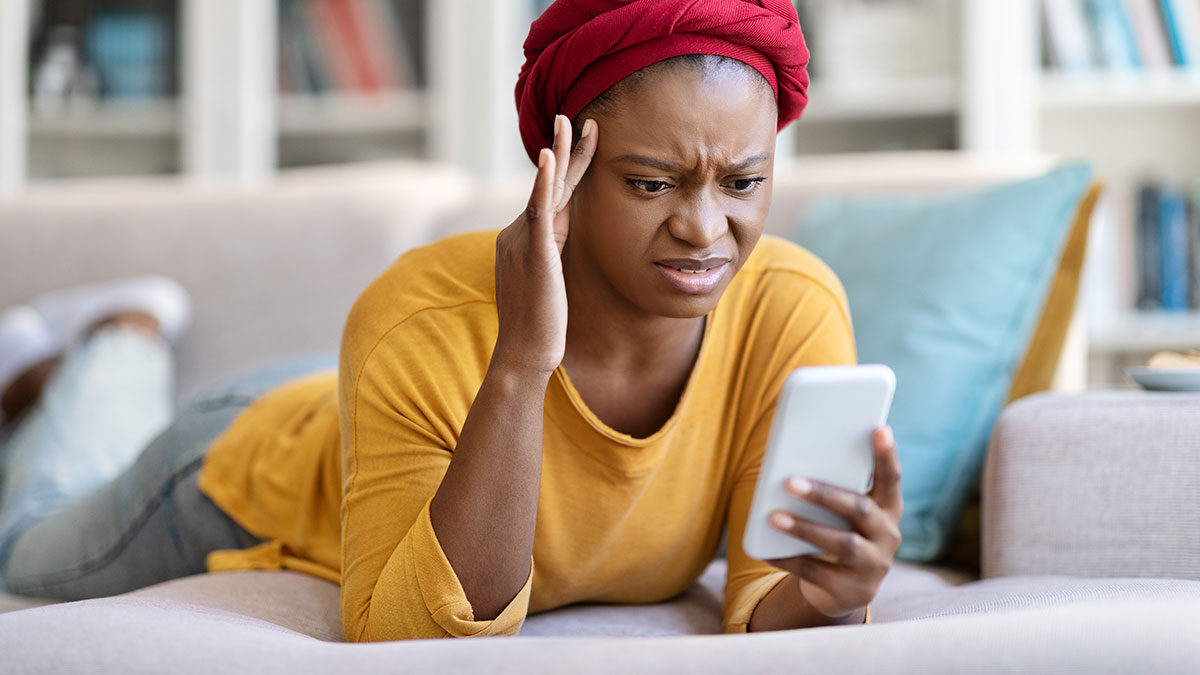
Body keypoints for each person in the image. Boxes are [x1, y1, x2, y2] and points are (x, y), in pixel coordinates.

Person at [0, 0, 903, 640]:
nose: (706, 229)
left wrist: (833, 590)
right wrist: (521, 360)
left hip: (371, 394)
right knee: (24, 542)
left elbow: (770, 605)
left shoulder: (792, 309)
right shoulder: (423, 315)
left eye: (743, 182)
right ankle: (122, 334)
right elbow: (410, 633)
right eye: (652, 183)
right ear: (563, 162)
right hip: (246, 462)